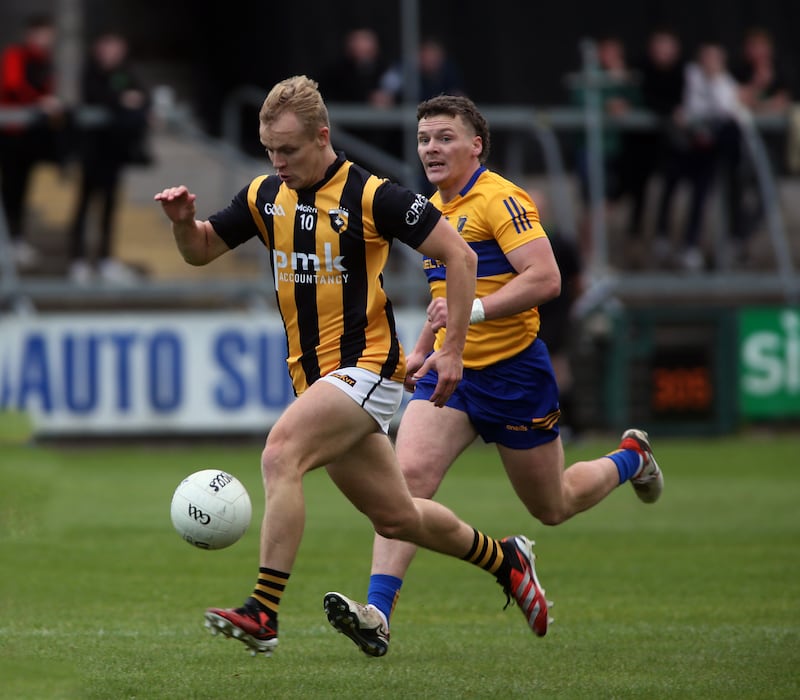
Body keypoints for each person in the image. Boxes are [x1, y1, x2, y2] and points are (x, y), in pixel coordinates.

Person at [154, 75, 550, 656]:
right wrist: (184, 224)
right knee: (397, 517)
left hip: (369, 369)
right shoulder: (267, 194)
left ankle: (263, 611)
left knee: (280, 452)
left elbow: (459, 255)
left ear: (323, 136)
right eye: (271, 150)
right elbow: (203, 250)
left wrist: (453, 349)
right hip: (317, 379)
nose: (279, 161)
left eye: (289, 149)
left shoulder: (374, 196)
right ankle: (506, 560)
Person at [323, 95, 664, 658]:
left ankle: (632, 457)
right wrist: (424, 350)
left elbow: (546, 277)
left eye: (444, 137)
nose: (431, 147)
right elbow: (442, 296)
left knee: (552, 505)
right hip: (450, 375)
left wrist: (471, 315)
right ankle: (377, 614)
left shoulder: (501, 199)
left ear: (475, 144)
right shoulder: (429, 208)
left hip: (514, 374)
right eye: (424, 138)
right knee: (405, 486)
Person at [654, 41, 745, 271]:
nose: (710, 63)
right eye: (706, 57)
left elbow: (726, 109)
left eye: (715, 59)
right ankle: (662, 235)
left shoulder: (725, 83)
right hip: (682, 148)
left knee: (700, 197)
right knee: (669, 187)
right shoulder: (688, 75)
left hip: (706, 153)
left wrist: (715, 81)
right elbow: (681, 103)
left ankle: (691, 245)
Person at [68, 31, 150, 284]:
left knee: (110, 206)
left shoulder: (126, 72)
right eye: (107, 46)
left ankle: (105, 259)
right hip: (93, 151)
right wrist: (121, 101)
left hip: (115, 152)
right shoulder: (91, 72)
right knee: (85, 204)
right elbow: (94, 97)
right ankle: (78, 261)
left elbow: (143, 96)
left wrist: (129, 102)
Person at [0, 14, 63, 268]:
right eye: (40, 33)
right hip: (10, 133)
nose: (44, 39)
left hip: (29, 137)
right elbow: (14, 86)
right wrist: (39, 102)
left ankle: (15, 240)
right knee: (10, 189)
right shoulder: (16, 56)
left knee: (22, 189)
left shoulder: (45, 61)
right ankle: (7, 241)